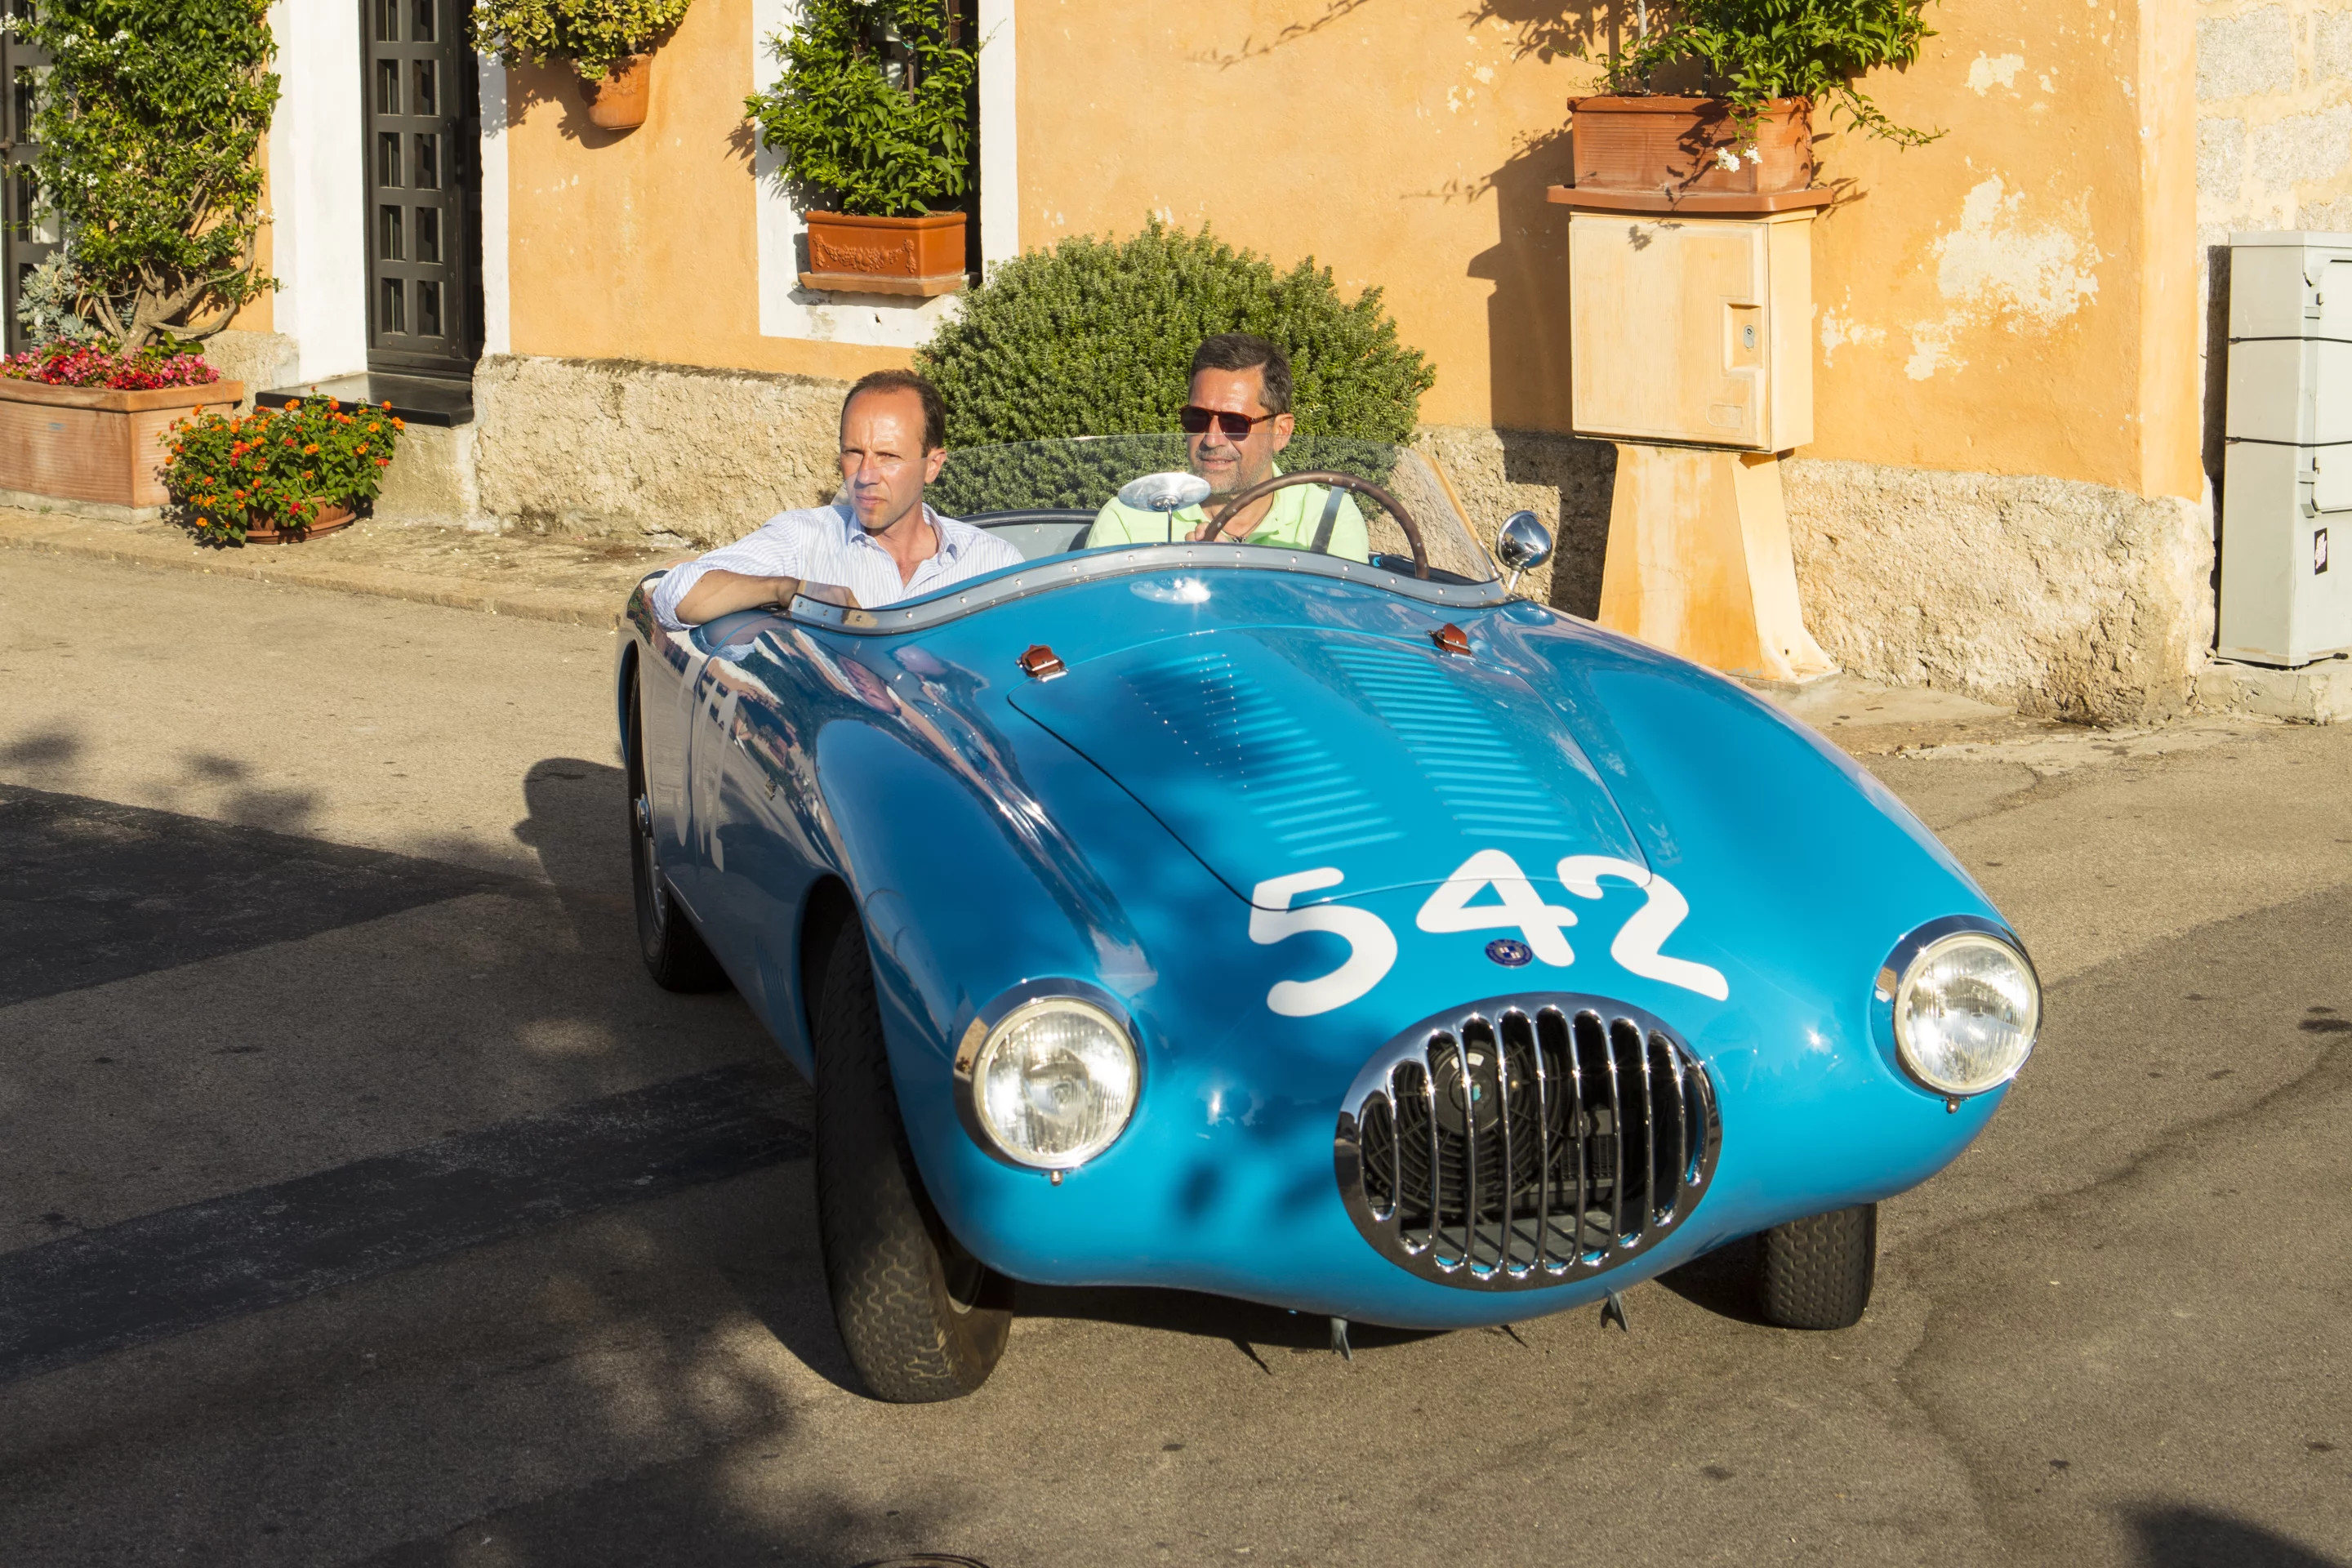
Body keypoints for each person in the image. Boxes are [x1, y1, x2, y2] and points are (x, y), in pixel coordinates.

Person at [652, 369, 1020, 630]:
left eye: (889, 457)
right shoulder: (804, 538)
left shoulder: (992, 562)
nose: (865, 474)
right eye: (854, 452)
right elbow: (676, 594)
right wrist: (788, 589)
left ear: (932, 466)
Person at [1086, 333, 1369, 561]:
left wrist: (1233, 583)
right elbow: (1108, 625)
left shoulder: (1326, 517)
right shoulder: (1130, 518)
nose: (1211, 439)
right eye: (1197, 418)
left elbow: (1339, 624)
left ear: (1280, 432)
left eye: (1235, 423)